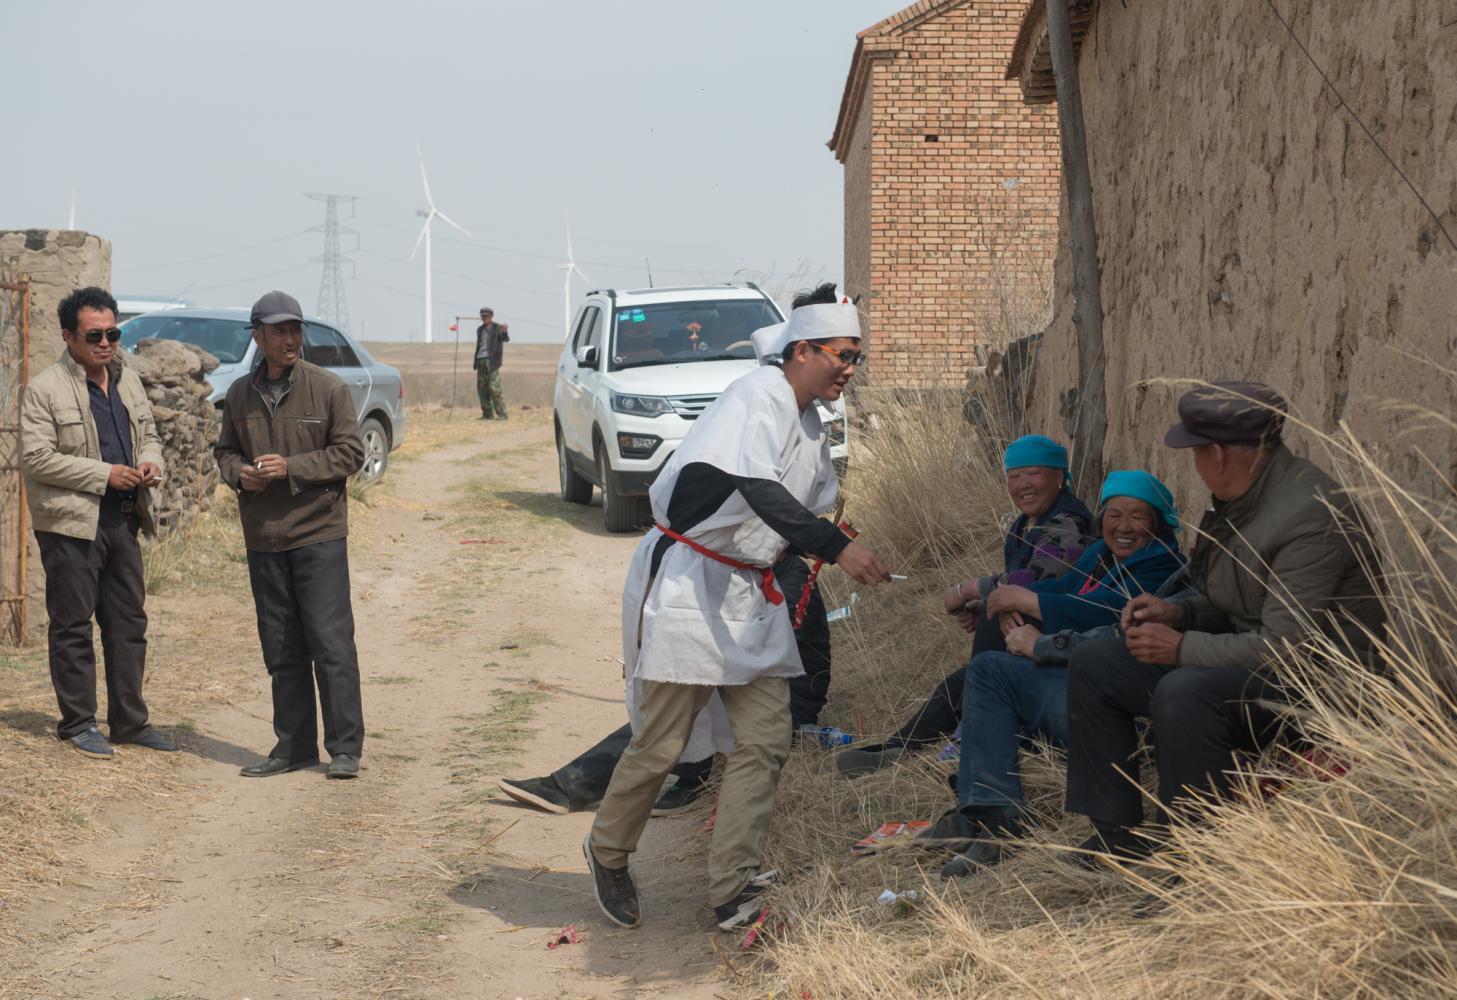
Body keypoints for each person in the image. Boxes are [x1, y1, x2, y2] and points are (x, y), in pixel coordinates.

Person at [583, 283, 890, 932]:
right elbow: (753, 488)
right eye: (842, 354)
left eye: (856, 357)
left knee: (764, 740)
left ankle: (731, 889)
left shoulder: (810, 421)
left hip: (750, 594)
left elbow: (793, 513)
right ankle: (607, 851)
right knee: (663, 745)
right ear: (802, 350)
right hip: (692, 589)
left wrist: (810, 553)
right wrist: (834, 547)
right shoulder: (757, 395)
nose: (850, 368)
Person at [1062, 382, 1384, 864]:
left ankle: (1193, 856)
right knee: (1096, 660)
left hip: (1320, 688)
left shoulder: (1310, 515)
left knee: (1185, 692)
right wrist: (1180, 612)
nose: (1194, 464)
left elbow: (1283, 648)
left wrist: (1179, 646)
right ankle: (1117, 834)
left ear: (1216, 453)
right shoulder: (1243, 496)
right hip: (1259, 663)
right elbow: (1243, 604)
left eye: (1194, 452)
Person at [908, 471, 1185, 876]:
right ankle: (989, 811)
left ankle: (990, 814)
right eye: (1114, 515)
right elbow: (1067, 588)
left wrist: (1033, 621)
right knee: (986, 671)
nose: (1123, 527)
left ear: (1158, 523)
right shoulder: (1102, 554)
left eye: (1137, 516)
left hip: (1113, 712)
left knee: (994, 670)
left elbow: (1104, 612)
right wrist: (1013, 601)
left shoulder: (1161, 564)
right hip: (1080, 682)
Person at [497, 552, 833, 814]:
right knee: (669, 706)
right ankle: (683, 776)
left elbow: (747, 639)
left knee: (673, 713)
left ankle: (568, 788)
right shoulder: (748, 573)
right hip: (750, 690)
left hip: (787, 704)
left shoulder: (793, 576)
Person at [835, 434, 1093, 776]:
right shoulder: (1025, 524)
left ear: (1059, 475)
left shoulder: (1070, 522)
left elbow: (1038, 584)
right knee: (964, 679)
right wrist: (985, 600)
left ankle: (969, 734)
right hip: (1035, 628)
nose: (1022, 485)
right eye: (1014, 476)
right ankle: (898, 748)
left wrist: (968, 589)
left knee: (990, 632)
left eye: (1033, 473)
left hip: (1067, 635)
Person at [215, 290, 367, 780]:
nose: (290, 339)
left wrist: (291, 468)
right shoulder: (239, 393)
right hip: (263, 538)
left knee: (331, 643)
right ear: (257, 336)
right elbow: (225, 453)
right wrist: (241, 474)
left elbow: (350, 454)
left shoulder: (328, 389)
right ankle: (294, 746)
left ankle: (344, 748)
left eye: (296, 329)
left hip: (318, 534)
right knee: (280, 647)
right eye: (279, 331)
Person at [19, 286, 174, 758]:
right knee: (72, 625)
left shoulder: (126, 380)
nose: (106, 343)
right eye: (94, 335)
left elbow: (148, 432)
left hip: (124, 519)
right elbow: (36, 458)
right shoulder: (44, 389)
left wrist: (149, 462)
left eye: (113, 333)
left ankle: (130, 721)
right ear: (68, 336)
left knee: (128, 623)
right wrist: (105, 474)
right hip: (70, 524)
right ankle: (78, 723)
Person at [473, 307, 510, 420]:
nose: (484, 318)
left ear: (491, 316)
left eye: (486, 316)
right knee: (482, 388)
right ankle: (487, 415)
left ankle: (502, 414)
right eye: (482, 316)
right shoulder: (479, 329)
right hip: (481, 360)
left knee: (495, 388)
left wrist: (504, 331)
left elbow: (505, 339)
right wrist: (476, 362)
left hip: (492, 361)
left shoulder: (497, 328)